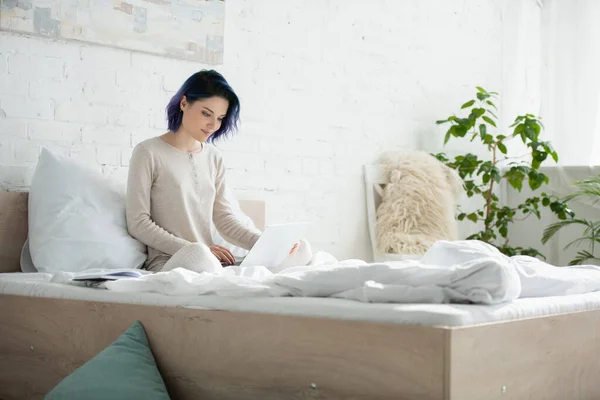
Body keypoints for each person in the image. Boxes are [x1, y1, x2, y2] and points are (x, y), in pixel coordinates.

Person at [126, 70, 311, 273]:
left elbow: (225, 219)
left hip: (213, 262)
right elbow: (138, 223)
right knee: (199, 254)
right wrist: (194, 248)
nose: (213, 125)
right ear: (184, 103)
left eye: (220, 118)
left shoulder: (214, 157)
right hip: (175, 260)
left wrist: (267, 244)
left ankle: (243, 279)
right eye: (206, 113)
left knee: (300, 249)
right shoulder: (148, 152)